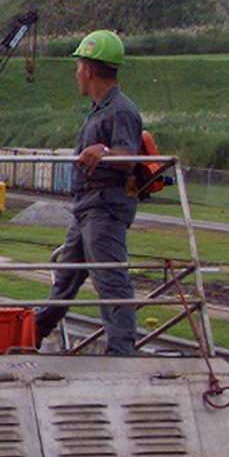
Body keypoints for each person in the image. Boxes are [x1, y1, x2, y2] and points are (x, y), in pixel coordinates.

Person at [35, 30, 144, 356]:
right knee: (67, 277)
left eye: (78, 66)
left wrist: (105, 151)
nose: (77, 75)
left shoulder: (120, 110)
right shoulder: (100, 108)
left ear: (89, 69)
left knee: (109, 277)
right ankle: (34, 332)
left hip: (105, 206)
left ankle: (122, 351)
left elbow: (130, 157)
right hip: (86, 205)